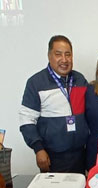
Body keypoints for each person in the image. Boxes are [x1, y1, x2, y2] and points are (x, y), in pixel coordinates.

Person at [19, 35, 88, 173]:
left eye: (68, 54)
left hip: (80, 155)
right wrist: (38, 149)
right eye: (58, 54)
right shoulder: (36, 83)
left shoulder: (79, 79)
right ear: (49, 55)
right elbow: (26, 120)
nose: (64, 59)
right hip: (52, 157)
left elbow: (94, 99)